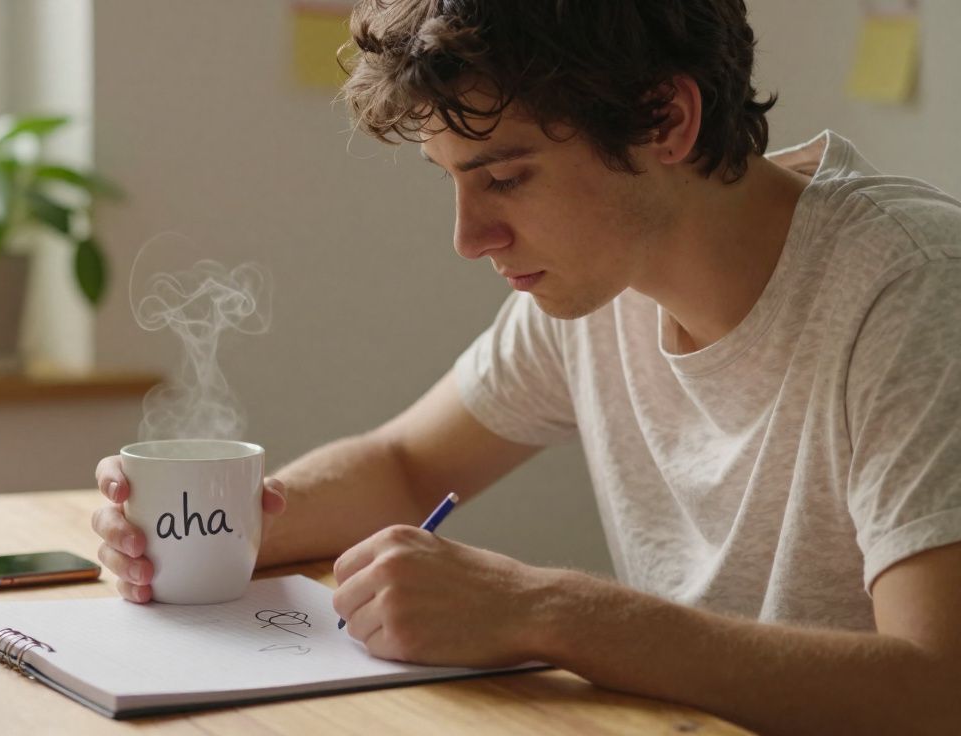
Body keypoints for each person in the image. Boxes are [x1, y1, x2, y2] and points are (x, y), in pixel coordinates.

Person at [93, 1, 961, 732]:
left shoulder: (913, 291)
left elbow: (937, 686)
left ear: (667, 120)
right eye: (453, 183)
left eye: (505, 178)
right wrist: (206, 532)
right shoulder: (602, 283)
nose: (470, 239)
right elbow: (406, 465)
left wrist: (543, 611)